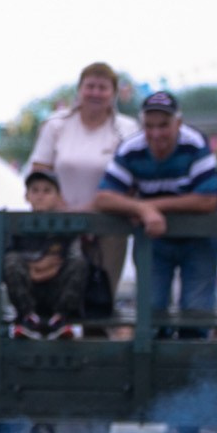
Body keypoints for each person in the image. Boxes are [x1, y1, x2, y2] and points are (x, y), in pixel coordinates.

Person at [93, 91, 217, 339]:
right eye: (149, 126)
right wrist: (142, 209)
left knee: (196, 313)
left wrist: (151, 206)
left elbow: (208, 200)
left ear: (178, 123)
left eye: (164, 125)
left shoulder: (195, 144)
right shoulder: (131, 148)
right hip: (154, 241)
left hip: (198, 240)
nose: (156, 134)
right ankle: (153, 375)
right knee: (150, 312)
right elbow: (104, 196)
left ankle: (192, 374)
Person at [29, 62, 139, 295]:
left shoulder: (127, 129)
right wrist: (64, 210)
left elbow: (134, 180)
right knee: (56, 294)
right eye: (90, 87)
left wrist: (91, 213)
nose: (96, 93)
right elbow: (39, 171)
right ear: (79, 90)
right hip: (57, 223)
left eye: (103, 88)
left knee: (101, 296)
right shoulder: (56, 124)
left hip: (109, 225)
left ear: (114, 93)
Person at [6, 171, 92, 339]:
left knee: (79, 263)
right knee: (11, 262)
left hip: (58, 290)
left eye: (47, 191)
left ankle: (61, 318)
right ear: (27, 196)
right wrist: (39, 265)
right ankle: (27, 318)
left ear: (58, 196)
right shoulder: (15, 225)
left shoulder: (67, 227)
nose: (40, 196)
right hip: (27, 289)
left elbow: (73, 259)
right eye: (35, 190)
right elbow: (8, 259)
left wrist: (37, 266)